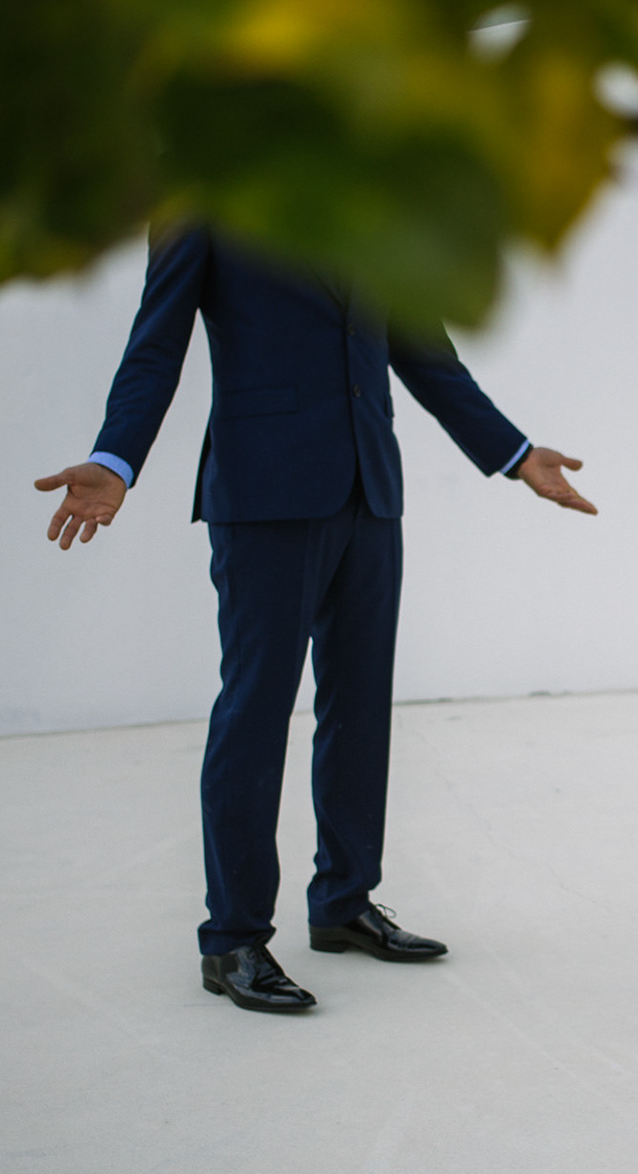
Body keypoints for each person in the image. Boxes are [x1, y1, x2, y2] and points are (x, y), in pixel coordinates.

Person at [36, 225, 594, 1014]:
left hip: (369, 489)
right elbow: (155, 346)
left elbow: (420, 344)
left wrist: (513, 451)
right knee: (256, 711)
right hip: (265, 494)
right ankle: (232, 939)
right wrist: (115, 458)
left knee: (360, 706)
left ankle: (342, 902)